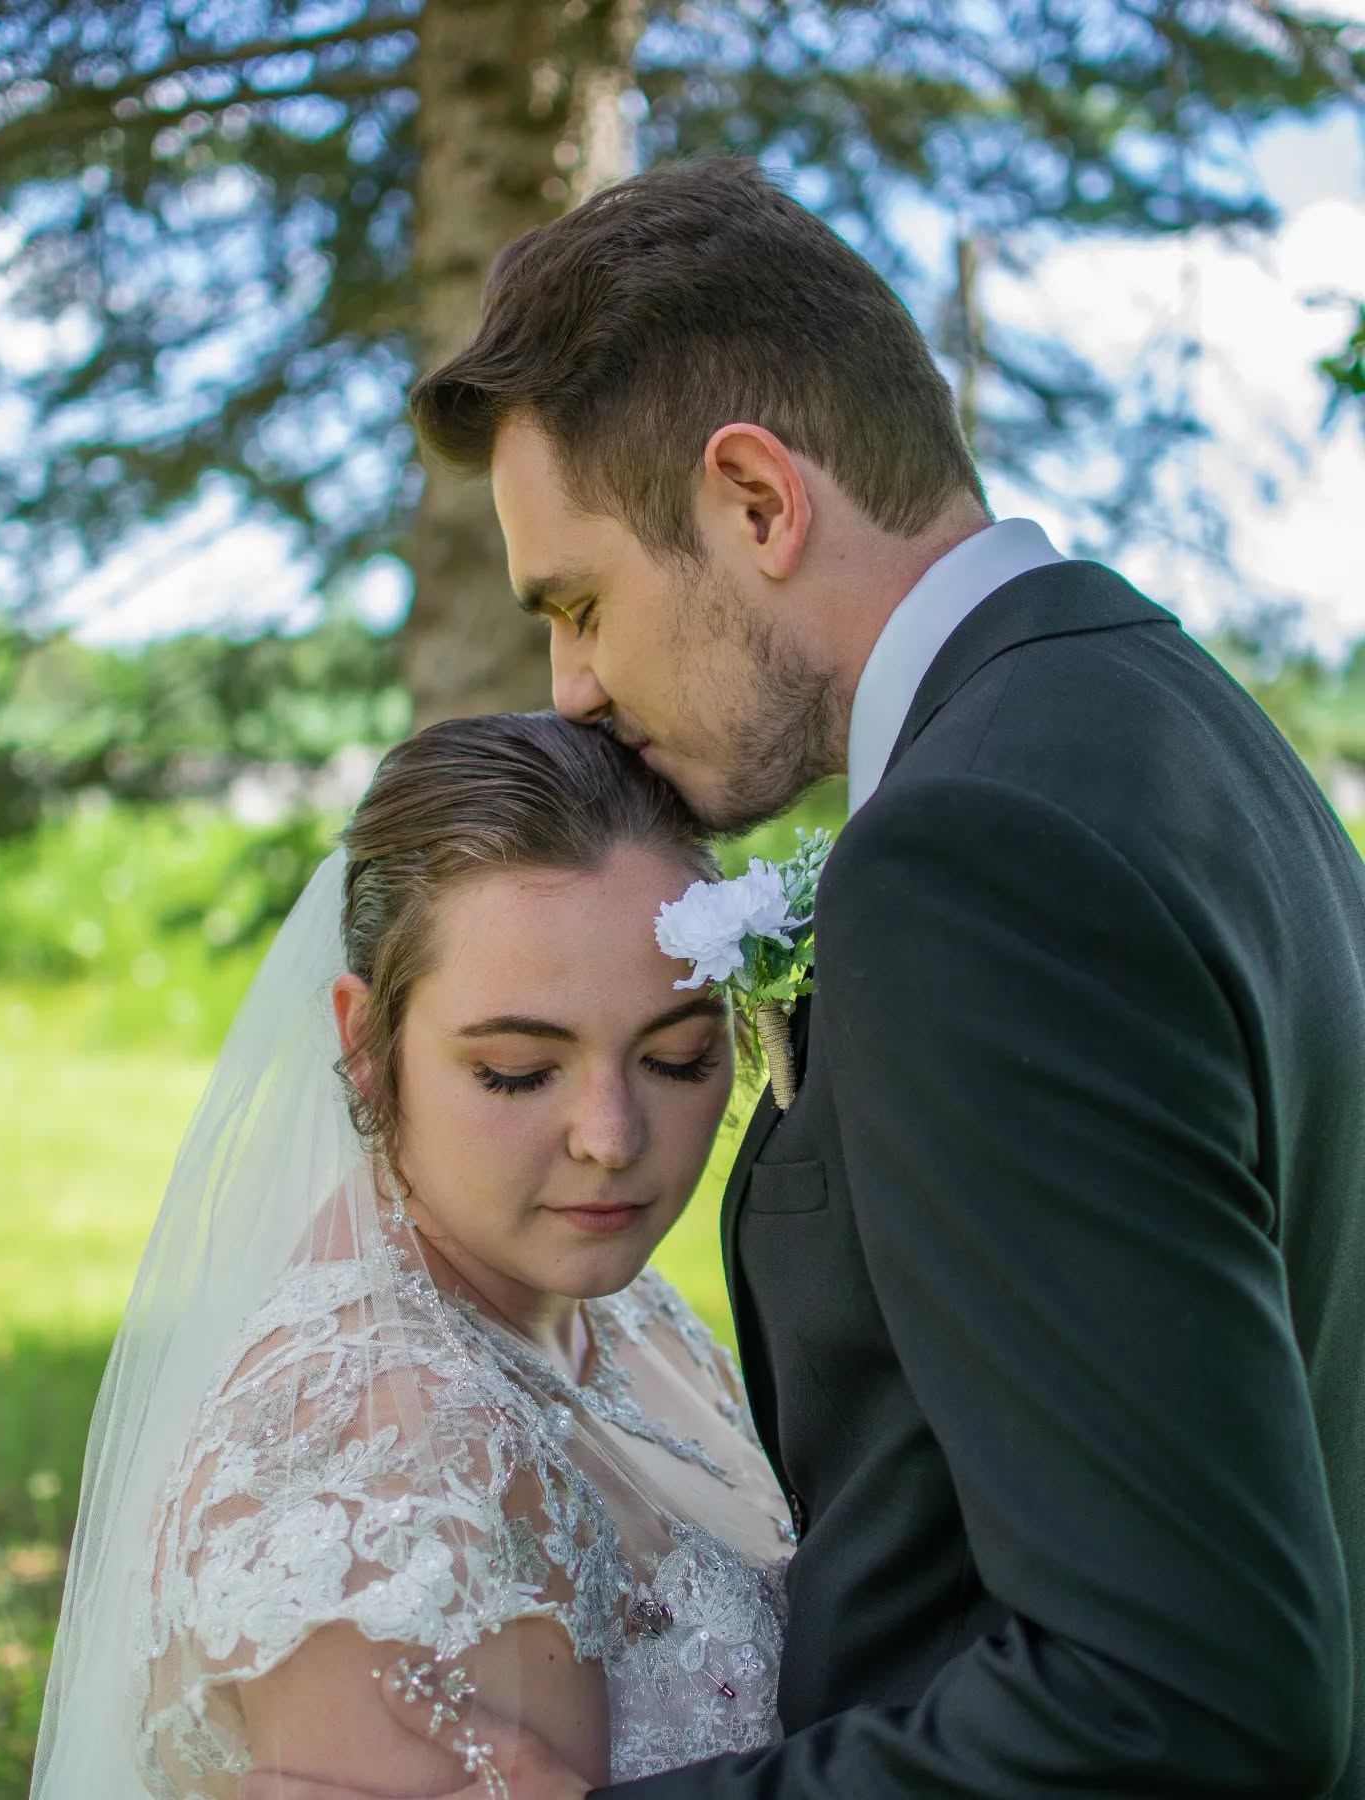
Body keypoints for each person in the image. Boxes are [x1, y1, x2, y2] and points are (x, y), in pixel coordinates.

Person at [262, 157, 1365, 1796]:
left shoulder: (972, 857)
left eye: (580, 600)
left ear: (759, 503)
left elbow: (1179, 1706)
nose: (570, 687)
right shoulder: (1172, 722)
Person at [30, 712, 794, 1799]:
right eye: (520, 1073)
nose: (612, 1140)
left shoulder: (625, 1312)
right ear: (366, 1048)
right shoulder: (383, 1464)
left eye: (677, 1056)